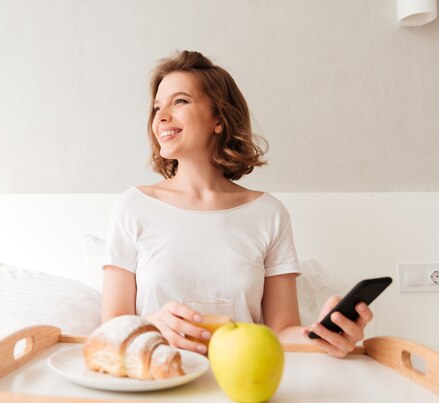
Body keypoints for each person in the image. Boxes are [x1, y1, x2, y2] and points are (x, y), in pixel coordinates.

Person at [101, 50, 373, 358]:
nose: (161, 116)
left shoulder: (268, 213)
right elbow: (111, 326)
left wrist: (325, 334)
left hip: (244, 381)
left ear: (219, 118)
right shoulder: (133, 207)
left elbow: (281, 332)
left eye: (180, 101)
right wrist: (151, 324)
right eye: (156, 107)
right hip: (157, 379)